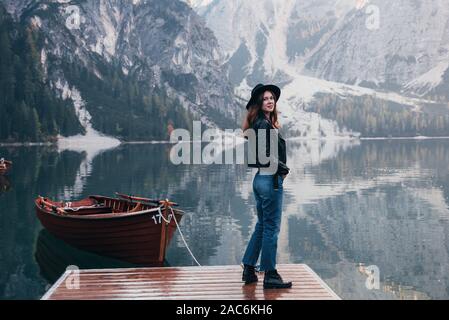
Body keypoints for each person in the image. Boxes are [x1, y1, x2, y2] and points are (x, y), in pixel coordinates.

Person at [241, 83, 292, 289]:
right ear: (259, 103)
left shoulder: (261, 123)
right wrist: (283, 169)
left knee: (262, 226)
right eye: (265, 99)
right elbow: (264, 156)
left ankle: (248, 268)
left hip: (260, 179)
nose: (269, 101)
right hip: (270, 180)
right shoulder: (263, 124)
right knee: (271, 228)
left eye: (271, 98)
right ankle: (270, 274)